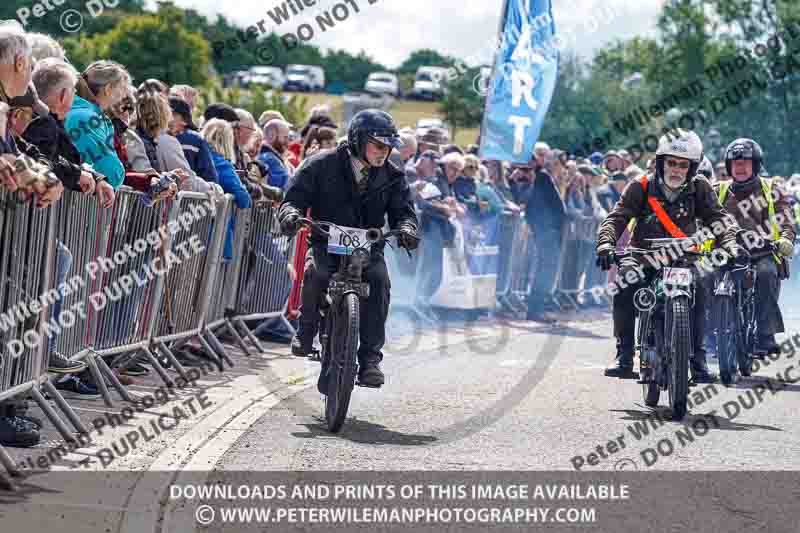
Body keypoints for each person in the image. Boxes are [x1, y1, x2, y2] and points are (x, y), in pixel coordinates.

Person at [277, 109, 419, 388]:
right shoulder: (319, 164)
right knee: (317, 274)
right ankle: (305, 333)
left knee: (380, 282)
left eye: (389, 146)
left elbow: (404, 212)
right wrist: (290, 215)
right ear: (357, 140)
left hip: (368, 249)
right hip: (325, 242)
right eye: (378, 145)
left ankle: (369, 360)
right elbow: (292, 199)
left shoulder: (393, 174)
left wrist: (408, 229)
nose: (384, 152)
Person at [596, 129, 739, 383]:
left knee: (704, 282)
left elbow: (719, 220)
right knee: (625, 280)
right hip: (643, 256)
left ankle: (698, 359)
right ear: (661, 162)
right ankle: (625, 354)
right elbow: (616, 218)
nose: (676, 169)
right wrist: (605, 244)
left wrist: (730, 246)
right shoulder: (640, 185)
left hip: (685, 258)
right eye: (671, 162)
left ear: (691, 168)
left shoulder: (700, 188)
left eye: (683, 165)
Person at [715, 138, 794, 357]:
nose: (740, 168)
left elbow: (786, 220)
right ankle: (703, 338)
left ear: (756, 165)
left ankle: (765, 334)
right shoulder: (717, 190)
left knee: (767, 273)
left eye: (746, 163)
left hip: (762, 253)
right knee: (702, 276)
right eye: (736, 163)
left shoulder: (771, 189)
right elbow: (701, 218)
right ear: (729, 166)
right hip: (726, 253)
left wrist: (786, 238)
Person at [66, 60, 131, 191]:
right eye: (121, 90)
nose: (122, 98)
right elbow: (112, 173)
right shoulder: (89, 118)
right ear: (108, 89)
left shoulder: (70, 107)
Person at [524, 148, 567, 322]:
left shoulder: (546, 177)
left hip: (550, 230)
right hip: (545, 230)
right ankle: (536, 310)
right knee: (545, 270)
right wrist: (544, 227)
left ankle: (538, 308)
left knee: (548, 270)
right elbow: (534, 207)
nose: (555, 165)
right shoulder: (541, 177)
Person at [168, 96, 218, 183]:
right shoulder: (197, 139)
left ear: (184, 119)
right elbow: (210, 177)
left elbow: (208, 174)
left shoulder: (194, 140)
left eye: (173, 115)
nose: (168, 119)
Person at [259, 118, 292, 189]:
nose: (288, 142)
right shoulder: (269, 159)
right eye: (285, 137)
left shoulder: (273, 157)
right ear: (271, 135)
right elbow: (286, 186)